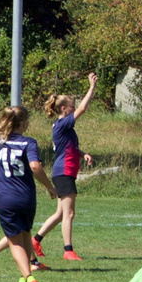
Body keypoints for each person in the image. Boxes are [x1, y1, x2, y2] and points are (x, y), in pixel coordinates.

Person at [0, 105, 58, 282]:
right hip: (27, 197)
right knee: (24, 234)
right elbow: (35, 166)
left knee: (15, 241)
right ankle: (23, 279)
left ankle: (29, 276)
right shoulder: (28, 142)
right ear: (23, 123)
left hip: (6, 198)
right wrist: (48, 186)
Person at [31, 73, 98, 262]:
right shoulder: (62, 123)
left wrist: (82, 153)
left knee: (61, 213)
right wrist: (91, 87)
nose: (74, 109)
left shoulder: (64, 127)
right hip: (64, 172)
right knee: (69, 213)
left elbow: (68, 148)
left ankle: (35, 241)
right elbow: (83, 108)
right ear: (63, 108)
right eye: (71, 106)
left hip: (64, 171)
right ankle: (68, 250)